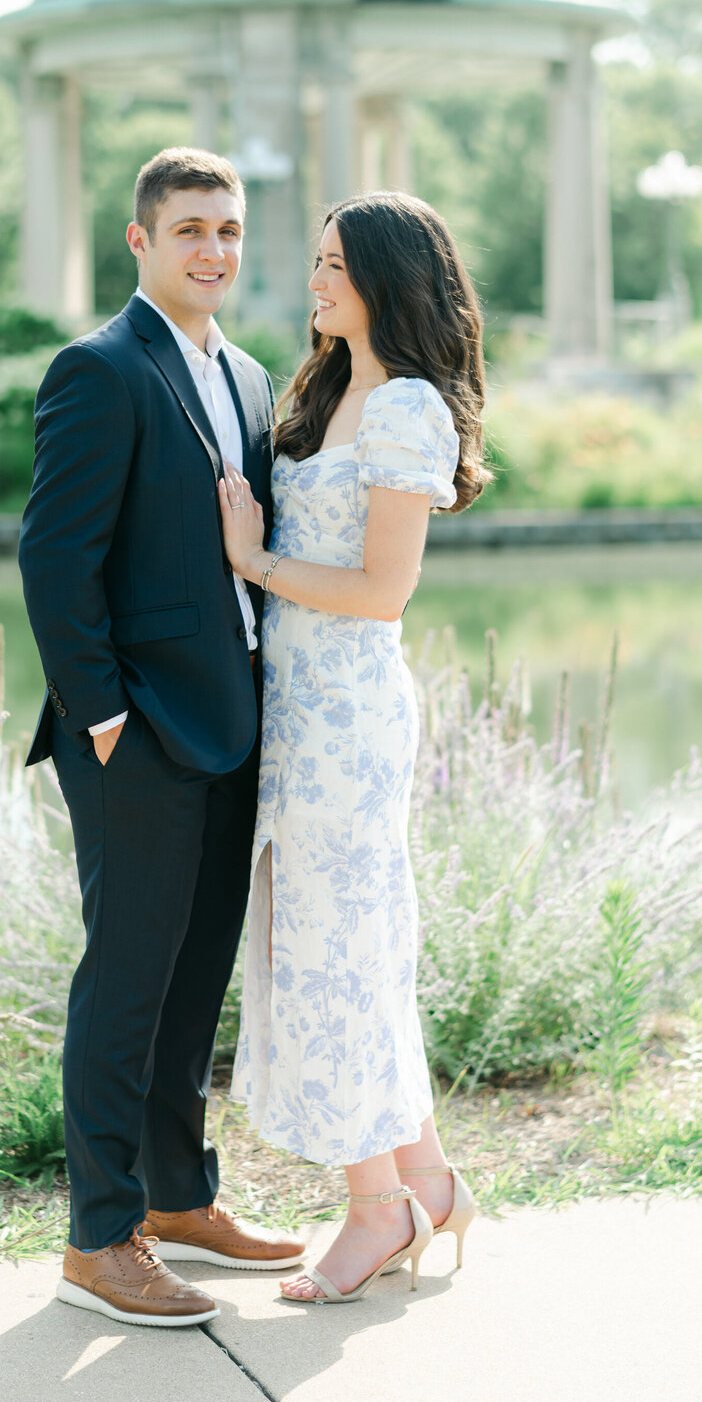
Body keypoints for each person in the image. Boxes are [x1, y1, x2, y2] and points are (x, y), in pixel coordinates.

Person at [19, 147, 304, 1329]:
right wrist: (102, 719)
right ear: (140, 240)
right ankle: (99, 1236)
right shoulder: (99, 369)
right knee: (127, 981)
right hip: (133, 732)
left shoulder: (245, 375)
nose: (214, 251)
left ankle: (180, 1199)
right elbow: (55, 558)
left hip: (231, 720)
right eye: (191, 229)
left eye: (230, 231)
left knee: (194, 983)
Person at [218, 190, 490, 1305]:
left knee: (334, 951)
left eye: (336, 264)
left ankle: (377, 1209)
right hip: (294, 714)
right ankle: (425, 1175)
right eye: (317, 261)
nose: (316, 280)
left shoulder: (406, 410)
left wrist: (256, 562)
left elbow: (384, 591)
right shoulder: (327, 393)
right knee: (331, 945)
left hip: (348, 722)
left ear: (388, 279)